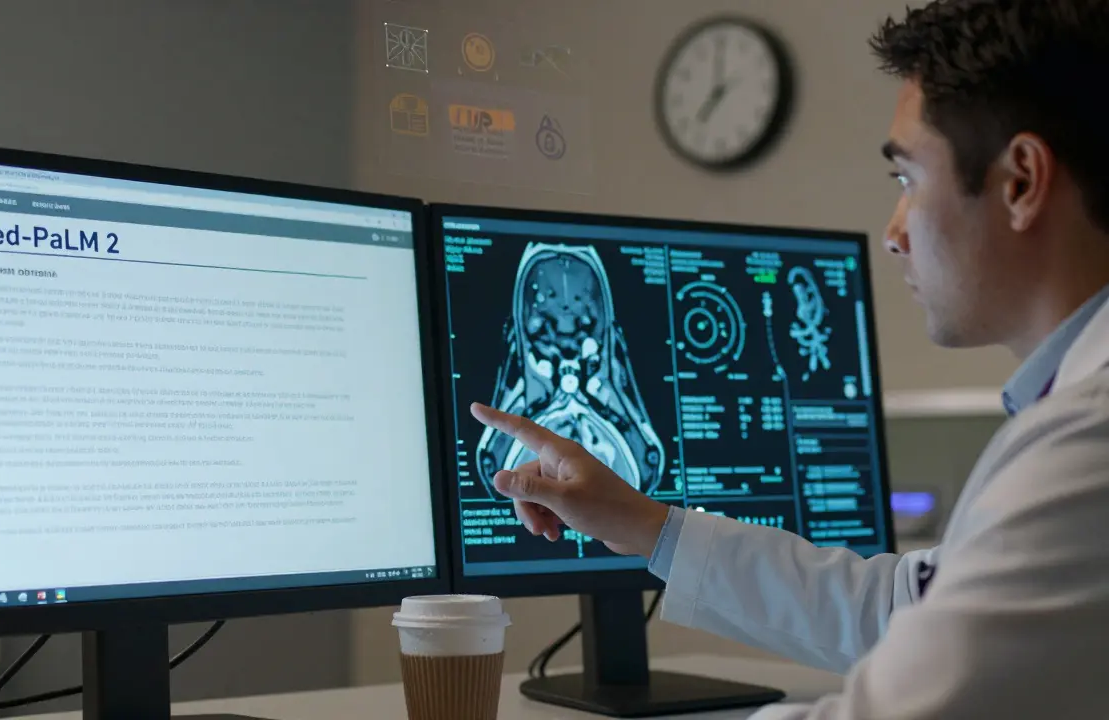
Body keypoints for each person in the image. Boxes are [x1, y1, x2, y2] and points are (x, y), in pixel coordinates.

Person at [470, 1, 1109, 717]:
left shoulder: (1088, 447)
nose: (894, 233)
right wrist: (648, 526)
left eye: (906, 181)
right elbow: (914, 608)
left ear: (1020, 181)